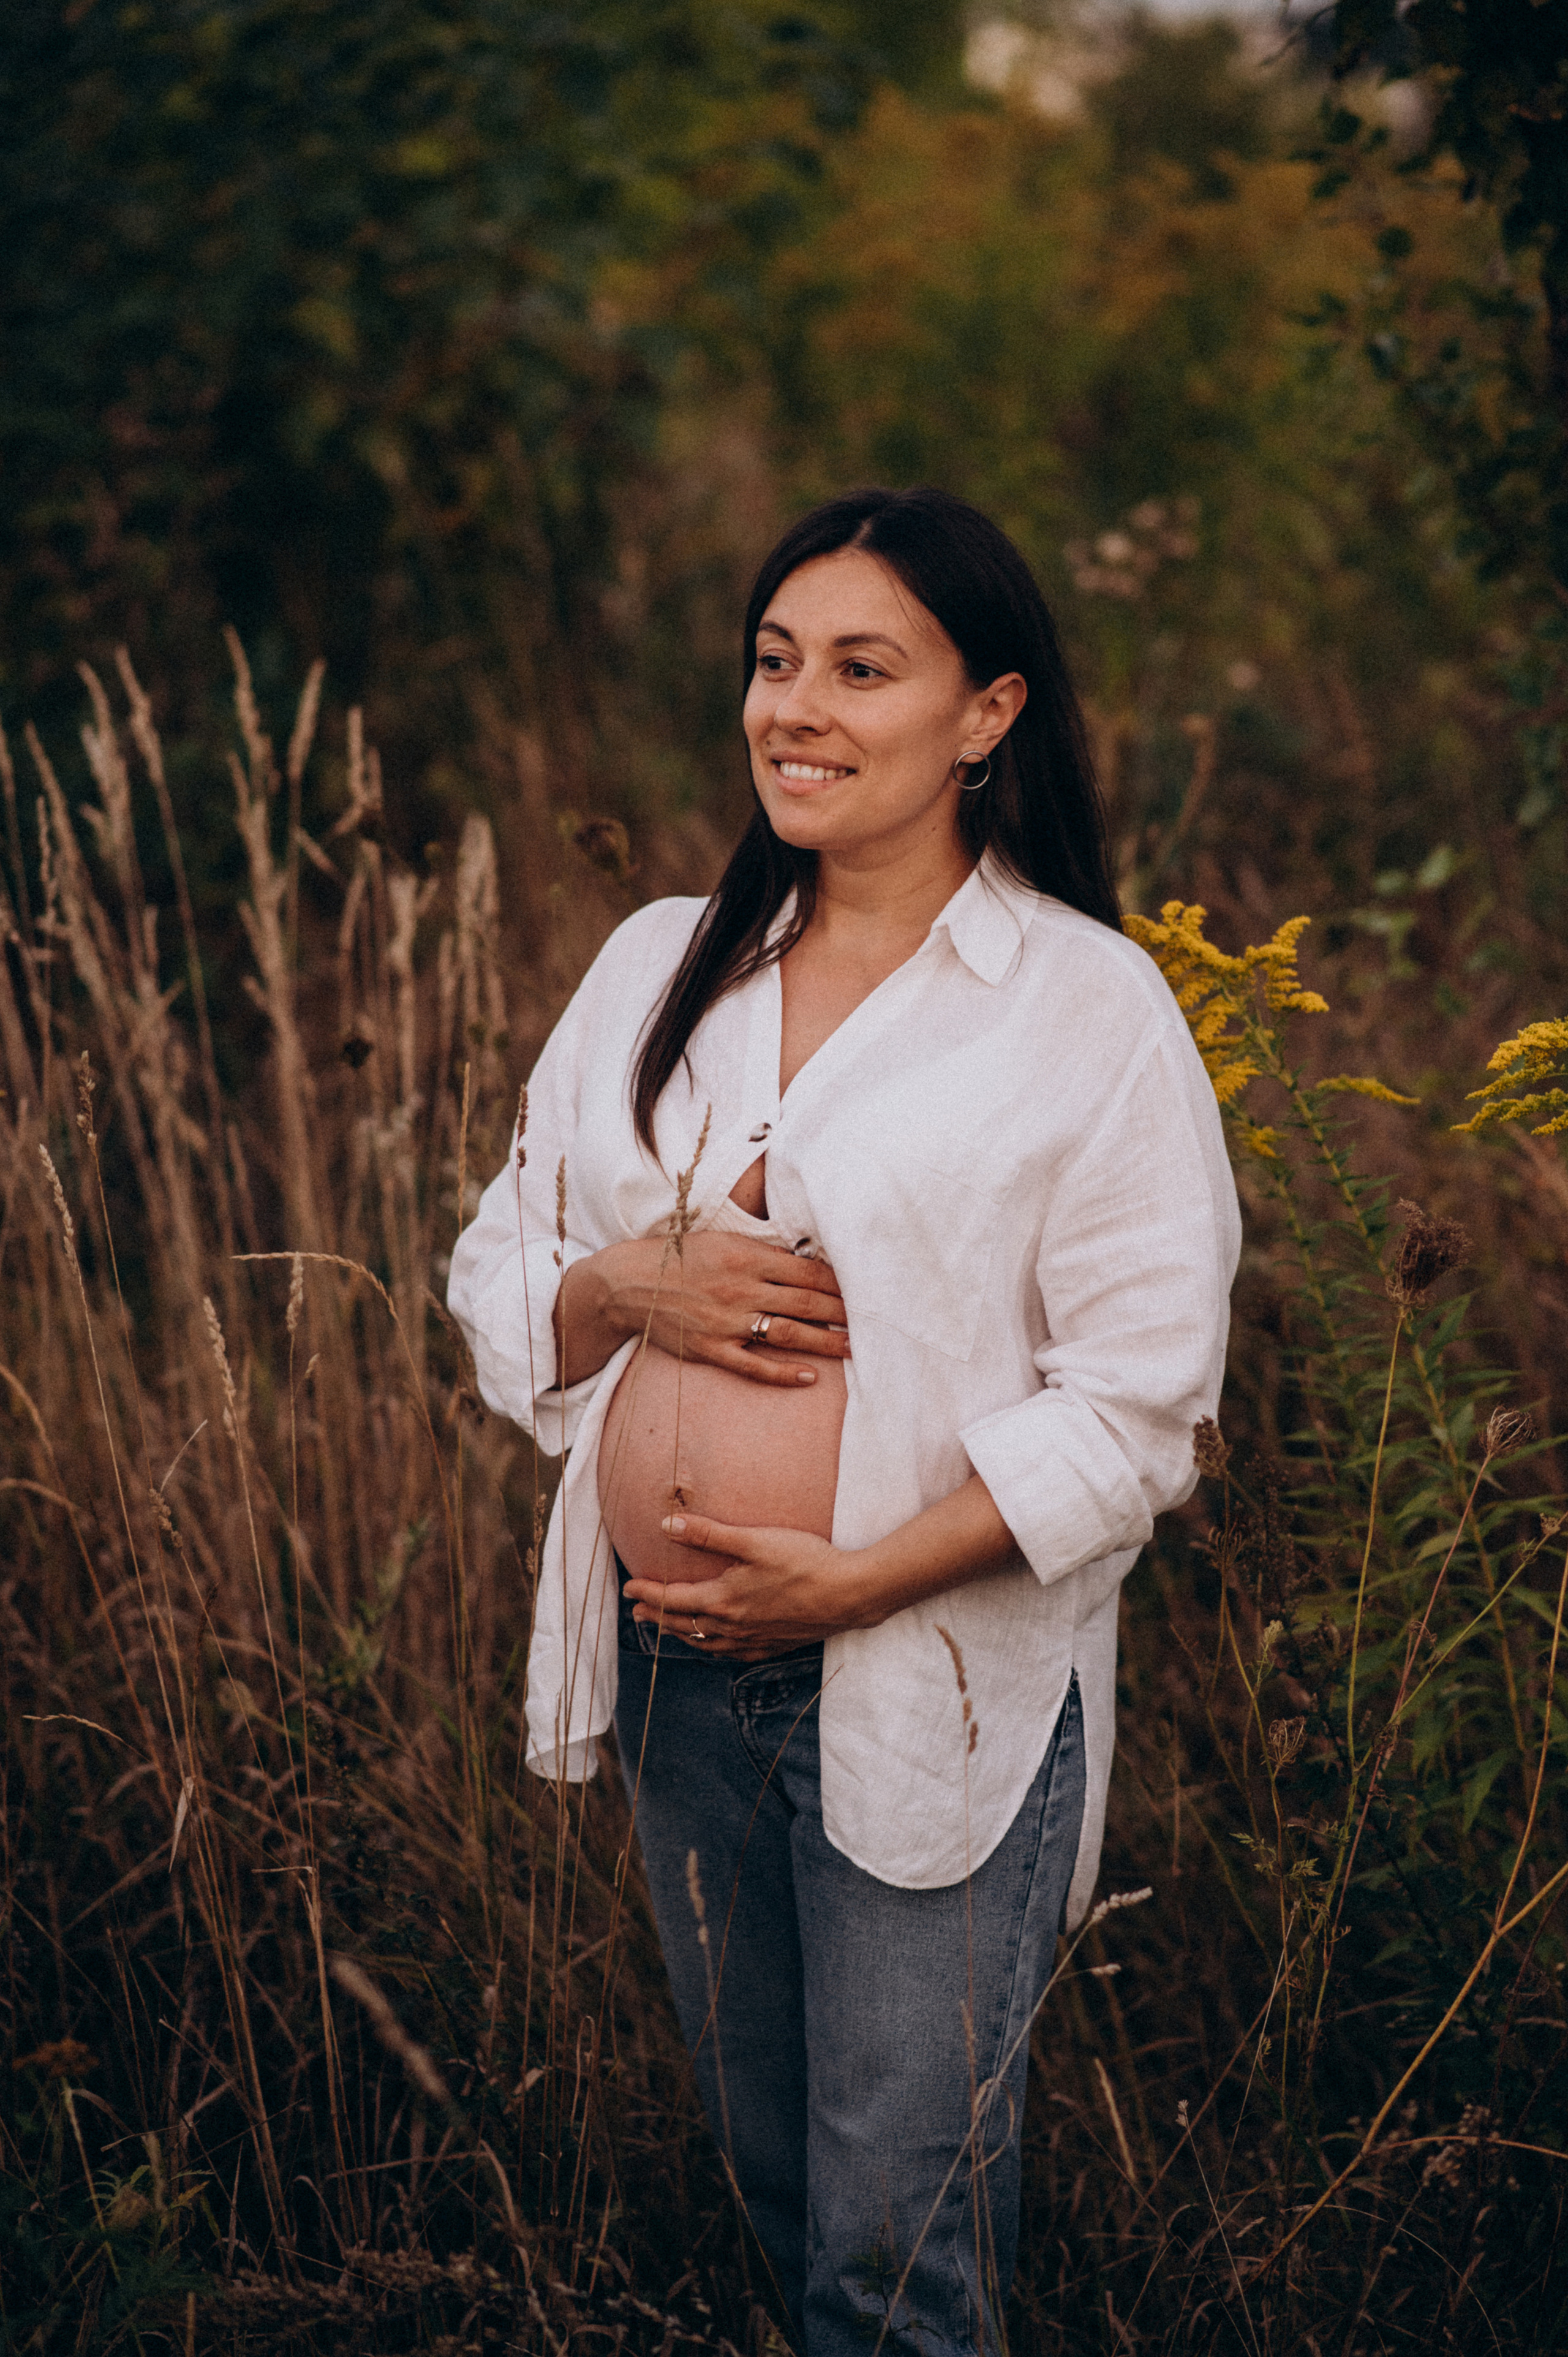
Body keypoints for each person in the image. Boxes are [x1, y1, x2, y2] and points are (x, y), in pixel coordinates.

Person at [448, 486, 1240, 2355]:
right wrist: (625, 1288)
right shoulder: (660, 962)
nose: (794, 708)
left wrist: (855, 1581)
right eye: (774, 661)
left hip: (929, 1688)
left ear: (990, 716)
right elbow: (502, 1266)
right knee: (780, 2182)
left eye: (862, 669)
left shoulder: (1085, 1011)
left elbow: (1143, 1416)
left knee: (898, 2250)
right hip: (675, 1681)